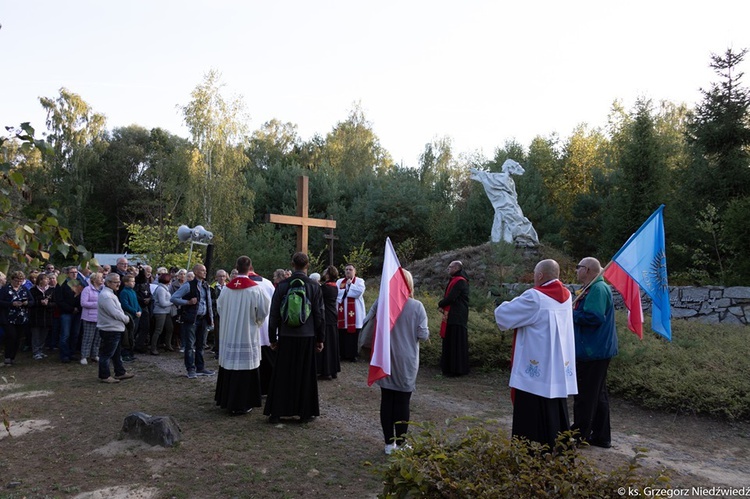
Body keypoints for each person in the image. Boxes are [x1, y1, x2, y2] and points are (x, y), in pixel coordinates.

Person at [494, 259, 578, 449]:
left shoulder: (535, 297)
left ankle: (530, 453)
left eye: (534, 273)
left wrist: (507, 301)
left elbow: (503, 314)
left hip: (535, 370)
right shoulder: (566, 296)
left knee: (532, 414)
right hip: (555, 367)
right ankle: (559, 449)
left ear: (540, 275)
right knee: (555, 408)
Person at [264, 252, 325, 423]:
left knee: (282, 374)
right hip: (307, 336)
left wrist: (273, 339)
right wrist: (320, 339)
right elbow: (320, 315)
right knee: (305, 374)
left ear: (292, 264)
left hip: (286, 335)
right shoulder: (314, 286)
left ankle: (276, 412)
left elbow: (274, 313)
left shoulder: (283, 285)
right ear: (308, 265)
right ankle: (305, 413)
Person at [375, 269, 430, 455]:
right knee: (402, 402)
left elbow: (369, 323)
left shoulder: (383, 304)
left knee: (387, 400)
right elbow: (423, 334)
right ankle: (401, 442)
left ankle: (389, 444)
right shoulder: (417, 306)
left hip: (385, 357)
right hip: (407, 359)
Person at [215, 256, 271, 415]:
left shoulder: (226, 289)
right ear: (250, 267)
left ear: (236, 267)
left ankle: (227, 400)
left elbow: (219, 308)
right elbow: (264, 310)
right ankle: (243, 403)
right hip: (247, 332)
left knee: (230, 366)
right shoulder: (255, 289)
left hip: (229, 333)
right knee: (245, 367)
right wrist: (257, 321)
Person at [572, 257, 618, 449]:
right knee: (598, 395)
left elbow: (594, 317)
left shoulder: (598, 289)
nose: (576, 270)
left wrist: (568, 313)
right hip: (597, 349)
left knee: (585, 395)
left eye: (579, 267)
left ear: (589, 269)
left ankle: (578, 435)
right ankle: (601, 436)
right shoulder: (594, 287)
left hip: (592, 350)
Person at [469, 161, 539, 247]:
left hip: (508, 201)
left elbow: (489, 177)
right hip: (505, 201)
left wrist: (478, 173)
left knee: (510, 218)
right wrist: (477, 173)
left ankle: (507, 239)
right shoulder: (504, 177)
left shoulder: (508, 180)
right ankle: (505, 239)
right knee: (507, 218)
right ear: (509, 168)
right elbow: (489, 177)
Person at [171, 264, 215, 379]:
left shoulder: (206, 286)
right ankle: (190, 369)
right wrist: (188, 302)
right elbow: (174, 298)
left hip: (204, 318)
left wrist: (211, 319)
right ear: (195, 272)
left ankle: (200, 367)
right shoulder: (188, 285)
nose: (205, 272)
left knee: (201, 344)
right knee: (190, 345)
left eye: (205, 270)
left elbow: (209, 303)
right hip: (192, 319)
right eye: (202, 270)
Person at [97, 273, 134, 383]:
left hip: (115, 328)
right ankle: (104, 376)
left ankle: (120, 372)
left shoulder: (111, 294)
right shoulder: (106, 296)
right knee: (106, 354)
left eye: (119, 281)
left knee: (116, 353)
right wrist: (126, 319)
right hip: (109, 328)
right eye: (115, 282)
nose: (118, 284)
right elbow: (114, 313)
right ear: (108, 283)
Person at [438, 260, 470, 377]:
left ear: (456, 268)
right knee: (452, 342)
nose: (448, 269)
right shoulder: (457, 280)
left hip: (457, 317)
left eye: (450, 267)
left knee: (456, 343)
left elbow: (451, 297)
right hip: (454, 315)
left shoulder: (460, 281)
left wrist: (440, 304)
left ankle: (456, 369)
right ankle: (450, 367)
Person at [0, 271, 33, 366]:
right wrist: (11, 304)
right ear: (12, 280)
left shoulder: (24, 289)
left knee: (18, 338)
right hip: (8, 318)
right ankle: (7, 357)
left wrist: (27, 303)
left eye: (20, 281)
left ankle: (12, 357)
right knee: (11, 336)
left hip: (21, 318)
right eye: (16, 280)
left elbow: (32, 301)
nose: (18, 283)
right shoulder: (5, 289)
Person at [336, 263, 366, 362]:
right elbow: (337, 294)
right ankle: (342, 354)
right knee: (342, 334)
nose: (348, 271)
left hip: (355, 313)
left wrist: (349, 286)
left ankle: (353, 355)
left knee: (353, 336)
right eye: (346, 269)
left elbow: (359, 292)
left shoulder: (360, 281)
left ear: (354, 271)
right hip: (342, 313)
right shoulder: (340, 281)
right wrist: (346, 289)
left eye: (350, 269)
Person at [317, 265, 341, 380]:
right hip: (332, 315)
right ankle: (333, 369)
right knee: (333, 344)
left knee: (326, 344)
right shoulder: (334, 286)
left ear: (328, 274)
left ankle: (325, 370)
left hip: (326, 316)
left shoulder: (325, 288)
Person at [54, 266, 82, 363]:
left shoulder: (79, 284)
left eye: (76, 272)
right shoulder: (62, 284)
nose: (74, 274)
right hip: (66, 313)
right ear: (67, 273)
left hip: (77, 313)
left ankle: (72, 353)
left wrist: (78, 308)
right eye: (72, 272)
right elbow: (59, 300)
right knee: (65, 335)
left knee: (75, 334)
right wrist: (71, 309)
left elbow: (82, 298)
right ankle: (64, 355)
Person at [79, 272, 103, 365]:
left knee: (98, 338)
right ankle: (84, 356)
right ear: (93, 279)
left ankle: (95, 354)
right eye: (100, 277)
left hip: (100, 317)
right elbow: (83, 303)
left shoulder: (102, 290)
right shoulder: (87, 289)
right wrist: (97, 304)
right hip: (89, 317)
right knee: (88, 338)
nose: (102, 279)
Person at [29, 272, 54, 360]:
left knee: (44, 334)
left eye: (47, 279)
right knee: (36, 335)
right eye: (45, 279)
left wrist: (48, 304)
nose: (47, 280)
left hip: (47, 316)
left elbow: (55, 303)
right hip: (36, 316)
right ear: (40, 280)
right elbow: (30, 302)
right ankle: (36, 352)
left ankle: (41, 350)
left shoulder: (51, 290)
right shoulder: (33, 290)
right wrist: (40, 302)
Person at [118, 274, 141, 362]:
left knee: (133, 335)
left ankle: (131, 353)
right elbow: (125, 305)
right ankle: (125, 354)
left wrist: (139, 311)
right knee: (127, 336)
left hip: (136, 315)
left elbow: (137, 303)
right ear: (126, 283)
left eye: (134, 281)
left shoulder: (133, 291)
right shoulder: (124, 292)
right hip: (129, 315)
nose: (133, 283)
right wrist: (135, 311)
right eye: (131, 281)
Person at [151, 272, 174, 354]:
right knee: (158, 330)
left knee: (170, 328)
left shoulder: (165, 288)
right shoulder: (161, 289)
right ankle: (153, 348)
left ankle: (168, 344)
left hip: (166, 312)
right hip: (160, 312)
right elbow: (162, 303)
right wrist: (172, 302)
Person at [209, 269, 228, 357]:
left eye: (223, 276)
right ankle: (218, 350)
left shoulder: (229, 286)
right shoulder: (212, 287)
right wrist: (217, 301)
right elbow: (209, 300)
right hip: (216, 312)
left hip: (227, 312)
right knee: (217, 332)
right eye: (220, 276)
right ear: (216, 277)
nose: (222, 278)